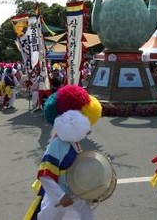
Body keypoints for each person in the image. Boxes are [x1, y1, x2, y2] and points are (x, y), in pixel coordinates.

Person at [24, 84, 102, 219]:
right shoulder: (56, 144)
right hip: (59, 201)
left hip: (75, 196)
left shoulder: (73, 142)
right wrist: (61, 196)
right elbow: (44, 175)